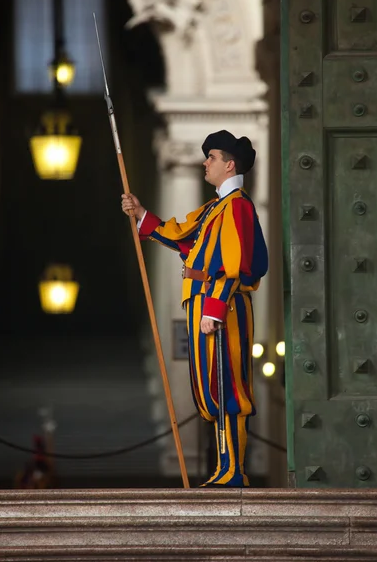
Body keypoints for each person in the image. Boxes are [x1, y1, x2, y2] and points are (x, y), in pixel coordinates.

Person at [122, 130, 268, 487]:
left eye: (212, 158)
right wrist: (142, 214)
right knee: (210, 390)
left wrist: (214, 309)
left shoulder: (236, 206)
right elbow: (181, 235)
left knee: (227, 387)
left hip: (223, 310)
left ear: (229, 164)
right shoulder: (214, 209)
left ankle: (233, 470)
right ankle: (224, 467)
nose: (205, 163)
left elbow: (231, 265)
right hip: (206, 307)